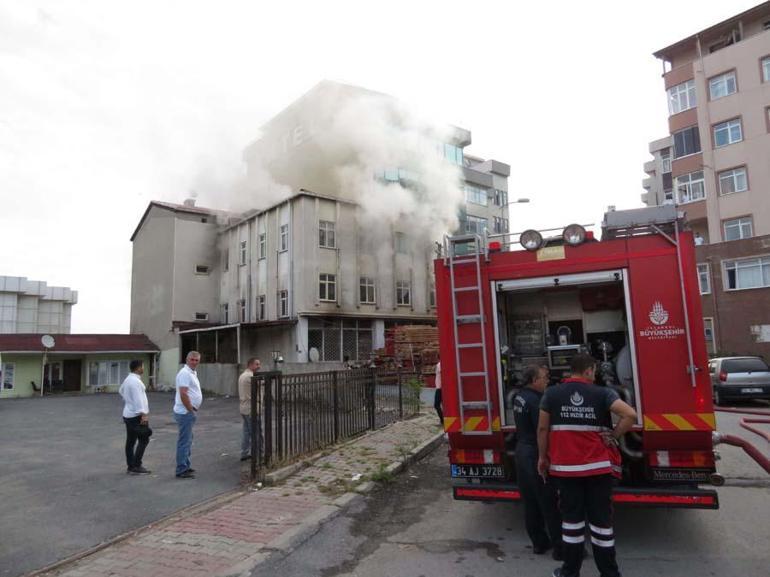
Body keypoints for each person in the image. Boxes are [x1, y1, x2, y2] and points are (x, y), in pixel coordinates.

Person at [538, 353, 637, 577]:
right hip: (598, 469)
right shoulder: (603, 393)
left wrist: (543, 457)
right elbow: (630, 414)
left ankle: (569, 572)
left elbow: (543, 429)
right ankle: (610, 573)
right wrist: (613, 436)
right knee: (601, 523)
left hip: (566, 470)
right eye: (594, 371)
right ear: (589, 370)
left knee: (571, 522)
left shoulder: (551, 394)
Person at [513, 365, 562, 560]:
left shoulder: (520, 396)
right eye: (544, 377)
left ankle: (539, 544)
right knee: (549, 502)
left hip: (521, 452)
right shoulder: (536, 401)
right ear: (534, 380)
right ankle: (561, 549)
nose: (547, 380)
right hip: (533, 453)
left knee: (531, 502)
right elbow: (542, 430)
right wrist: (545, 457)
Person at [118, 360, 151, 474]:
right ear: (138, 368)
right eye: (142, 366)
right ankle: (136, 465)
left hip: (128, 414)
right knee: (144, 439)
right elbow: (138, 399)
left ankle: (131, 466)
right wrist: (143, 414)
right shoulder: (135, 382)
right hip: (136, 416)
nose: (143, 368)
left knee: (131, 441)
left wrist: (128, 401)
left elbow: (121, 390)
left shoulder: (129, 379)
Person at [174, 351, 203, 479]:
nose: (194, 362)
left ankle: (185, 464)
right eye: (192, 359)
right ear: (187, 360)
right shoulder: (185, 373)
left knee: (188, 440)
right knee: (184, 441)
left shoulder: (192, 372)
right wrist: (190, 409)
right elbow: (183, 393)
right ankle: (181, 469)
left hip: (188, 411)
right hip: (185, 412)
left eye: (197, 360)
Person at [238, 357, 262, 462]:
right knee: (256, 432)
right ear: (250, 365)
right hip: (251, 408)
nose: (259, 366)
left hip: (244, 408)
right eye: (257, 364)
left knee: (247, 432)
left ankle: (244, 453)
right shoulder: (250, 376)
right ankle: (258, 454)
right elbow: (261, 387)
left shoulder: (243, 375)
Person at [433, 360, 443, 426]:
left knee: (436, 404)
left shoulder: (439, 364)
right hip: (440, 387)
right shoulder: (441, 364)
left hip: (440, 388)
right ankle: (443, 420)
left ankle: (442, 420)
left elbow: (442, 373)